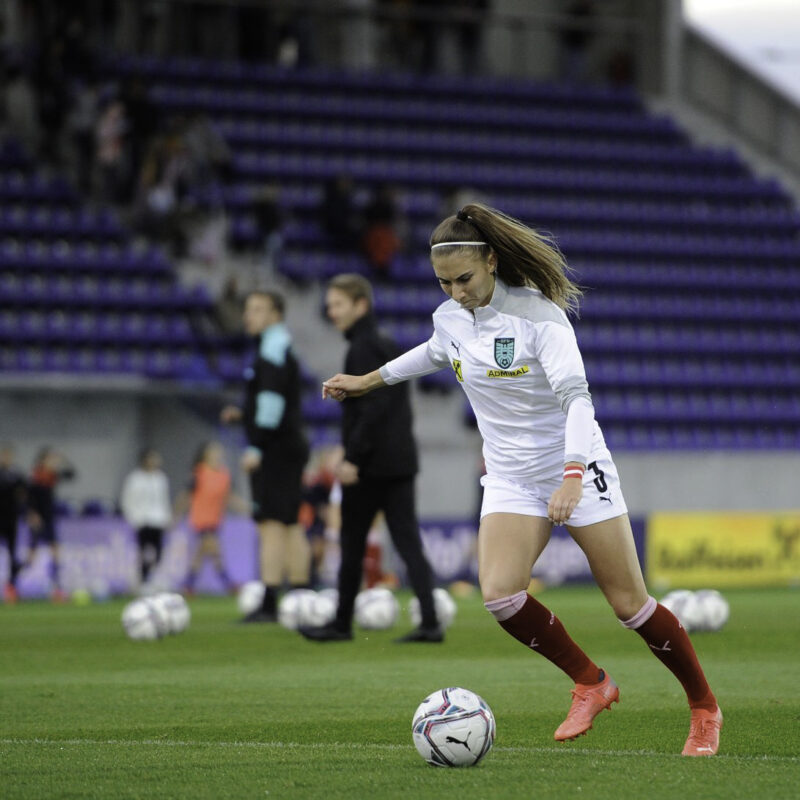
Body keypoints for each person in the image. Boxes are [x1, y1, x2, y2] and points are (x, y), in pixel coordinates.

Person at [318, 204, 722, 756]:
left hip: (576, 466)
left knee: (630, 605)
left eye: (464, 279)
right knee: (501, 595)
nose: (456, 292)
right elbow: (433, 353)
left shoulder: (539, 318)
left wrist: (573, 476)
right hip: (510, 475)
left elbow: (577, 400)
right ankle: (591, 683)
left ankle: (704, 707)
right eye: (444, 283)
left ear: (491, 260)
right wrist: (368, 380)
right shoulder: (449, 318)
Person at [299, 274, 441, 643]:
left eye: (338, 304)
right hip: (399, 461)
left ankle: (341, 623)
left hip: (372, 466)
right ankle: (430, 622)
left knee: (353, 543)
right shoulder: (384, 343)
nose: (331, 312)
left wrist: (352, 457)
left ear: (360, 305)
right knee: (407, 542)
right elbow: (385, 405)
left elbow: (374, 409)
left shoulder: (362, 347)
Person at [221, 290, 311, 622]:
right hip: (289, 445)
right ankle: (301, 597)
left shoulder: (272, 348)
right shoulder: (279, 346)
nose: (249, 315)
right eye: (248, 309)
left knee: (271, 524)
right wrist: (244, 414)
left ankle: (270, 602)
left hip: (276, 448)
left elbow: (271, 403)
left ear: (276, 315)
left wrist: (256, 446)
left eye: (258, 309)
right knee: (289, 522)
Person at [178, 441, 246, 594]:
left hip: (215, 519)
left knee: (202, 552)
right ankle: (228, 583)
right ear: (205, 455)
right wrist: (176, 515)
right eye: (214, 451)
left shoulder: (224, 475)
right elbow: (186, 496)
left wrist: (245, 507)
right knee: (214, 548)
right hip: (201, 519)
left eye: (219, 451)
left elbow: (229, 497)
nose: (217, 454)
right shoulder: (199, 473)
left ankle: (188, 584)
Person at [26, 447, 76, 602]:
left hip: (49, 518)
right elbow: (28, 497)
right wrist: (32, 513)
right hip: (37, 518)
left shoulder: (52, 476)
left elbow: (72, 474)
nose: (53, 462)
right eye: (50, 459)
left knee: (55, 551)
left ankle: (57, 585)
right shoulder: (35, 475)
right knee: (32, 554)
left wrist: (64, 460)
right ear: (42, 460)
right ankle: (16, 583)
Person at [120, 448, 172, 589]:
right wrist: (133, 518)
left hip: (158, 521)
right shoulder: (134, 478)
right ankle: (143, 580)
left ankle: (151, 578)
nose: (155, 461)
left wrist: (167, 517)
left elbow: (164, 500)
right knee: (144, 552)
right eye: (152, 458)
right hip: (142, 521)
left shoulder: (161, 478)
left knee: (159, 553)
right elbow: (127, 500)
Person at [0, 443, 27, 603]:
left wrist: (26, 511)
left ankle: (12, 587)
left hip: (11, 519)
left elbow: (24, 493)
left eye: (8, 456)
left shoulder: (16, 475)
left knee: (12, 554)